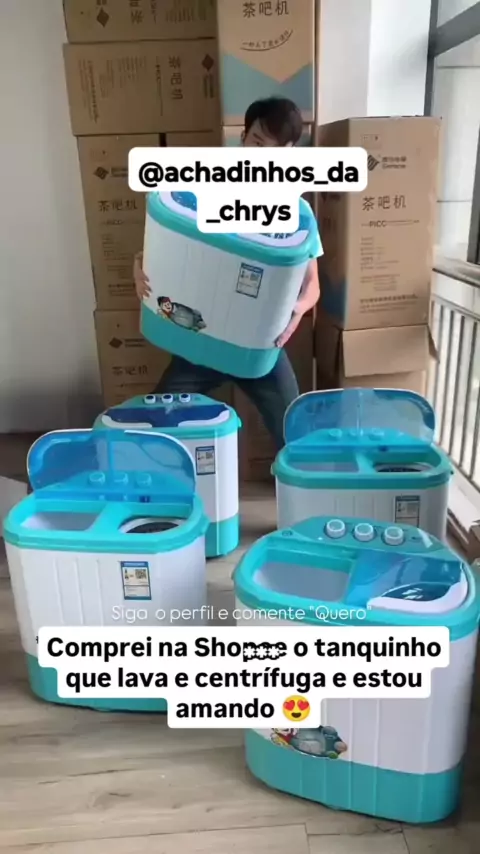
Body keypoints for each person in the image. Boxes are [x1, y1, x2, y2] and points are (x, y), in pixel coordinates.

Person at [133, 97, 322, 450]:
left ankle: (304, 481)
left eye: (277, 151)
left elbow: (313, 286)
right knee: (158, 423)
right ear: (243, 138)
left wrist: (294, 312)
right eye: (258, 144)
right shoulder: (204, 192)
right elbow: (169, 244)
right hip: (201, 339)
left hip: (259, 347)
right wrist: (139, 266)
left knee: (294, 434)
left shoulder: (297, 217)